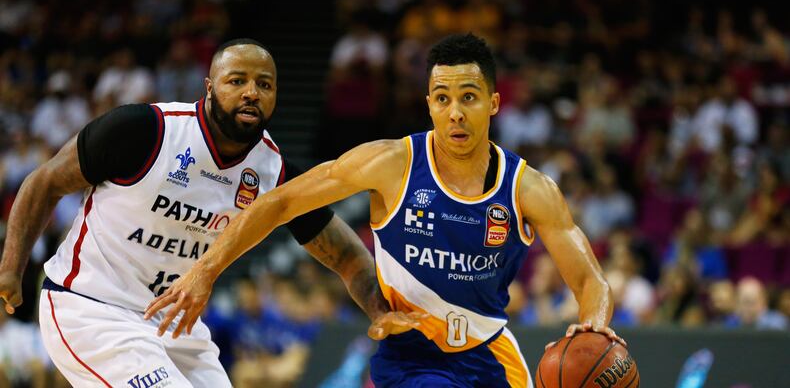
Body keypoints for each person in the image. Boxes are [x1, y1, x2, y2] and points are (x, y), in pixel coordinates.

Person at [147, 34, 623, 387]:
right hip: (412, 356)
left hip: (491, 353)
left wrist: (595, 324)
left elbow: (590, 281)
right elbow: (279, 201)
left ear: (494, 103)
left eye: (469, 97)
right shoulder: (390, 164)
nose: (455, 112)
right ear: (429, 105)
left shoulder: (530, 188)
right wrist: (206, 271)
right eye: (443, 99)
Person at [0, 39, 415, 387]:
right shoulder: (146, 130)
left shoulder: (274, 173)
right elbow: (45, 181)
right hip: (92, 307)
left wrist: (379, 309)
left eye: (264, 84)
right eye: (237, 81)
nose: (251, 92)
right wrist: (10, 269)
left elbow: (346, 255)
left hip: (176, 325)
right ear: (210, 87)